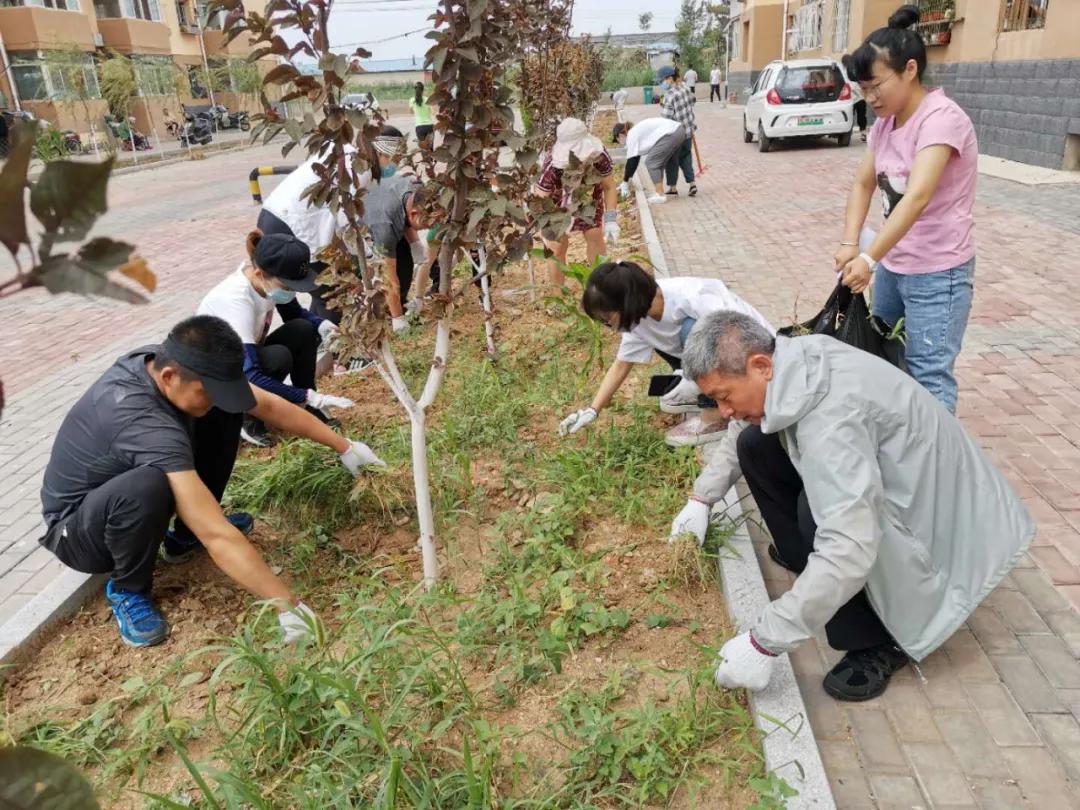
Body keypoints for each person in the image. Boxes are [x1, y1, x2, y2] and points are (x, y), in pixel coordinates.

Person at [680, 311, 1032, 701]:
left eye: (724, 397)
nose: (723, 410)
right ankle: (816, 581)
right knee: (755, 444)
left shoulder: (831, 423)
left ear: (760, 365)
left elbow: (848, 545)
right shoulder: (794, 359)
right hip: (909, 480)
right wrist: (701, 498)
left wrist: (765, 642)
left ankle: (879, 639)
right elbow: (740, 427)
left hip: (942, 523)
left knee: (819, 520)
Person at [38, 315, 387, 648]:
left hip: (121, 494)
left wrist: (345, 447)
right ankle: (128, 589)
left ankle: (181, 541)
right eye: (206, 390)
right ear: (170, 377)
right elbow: (216, 533)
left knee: (224, 409)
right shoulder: (141, 421)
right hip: (80, 532)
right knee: (146, 486)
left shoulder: (170, 361)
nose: (211, 397)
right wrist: (287, 604)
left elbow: (268, 405)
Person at [836, 4, 977, 414]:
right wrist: (850, 243)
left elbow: (916, 197)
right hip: (895, 268)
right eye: (863, 89)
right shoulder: (885, 124)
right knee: (884, 357)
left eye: (876, 85)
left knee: (929, 375)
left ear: (910, 70)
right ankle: (900, 447)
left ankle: (935, 470)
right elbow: (863, 182)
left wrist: (868, 256)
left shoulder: (941, 119)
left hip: (938, 271)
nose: (870, 97)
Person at [559, 261, 772, 448]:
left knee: (695, 330)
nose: (607, 325)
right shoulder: (637, 321)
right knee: (671, 379)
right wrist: (592, 410)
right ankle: (700, 387)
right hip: (705, 358)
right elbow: (621, 365)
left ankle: (714, 418)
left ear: (626, 303)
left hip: (750, 351)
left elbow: (741, 339)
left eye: (607, 318)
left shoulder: (692, 298)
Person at [197, 231, 349, 446]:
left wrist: (322, 325)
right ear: (260, 274)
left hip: (240, 362)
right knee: (277, 358)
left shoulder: (268, 284)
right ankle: (245, 417)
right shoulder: (235, 301)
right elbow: (250, 375)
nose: (291, 292)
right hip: (218, 382)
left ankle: (307, 408)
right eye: (288, 287)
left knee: (303, 330)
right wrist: (302, 395)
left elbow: (295, 315)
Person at [534, 117, 618, 285]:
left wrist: (610, 219)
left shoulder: (599, 157)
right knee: (557, 247)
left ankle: (601, 289)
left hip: (587, 197)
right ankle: (558, 296)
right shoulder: (553, 167)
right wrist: (541, 227)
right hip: (556, 203)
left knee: (594, 235)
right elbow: (539, 199)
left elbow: (609, 187)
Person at [612, 119, 686, 206]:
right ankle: (659, 192)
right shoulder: (635, 132)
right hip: (678, 130)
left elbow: (631, 161)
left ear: (620, 136)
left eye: (617, 141)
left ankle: (660, 195)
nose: (620, 144)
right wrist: (628, 181)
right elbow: (635, 160)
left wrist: (625, 183)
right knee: (658, 163)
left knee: (651, 162)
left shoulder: (631, 135)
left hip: (672, 133)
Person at [657, 66, 697, 197]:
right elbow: (693, 101)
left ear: (669, 79)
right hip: (688, 132)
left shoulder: (669, 96)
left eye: (661, 80)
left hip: (676, 136)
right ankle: (692, 184)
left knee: (672, 160)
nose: (661, 84)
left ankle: (673, 187)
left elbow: (666, 118)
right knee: (686, 158)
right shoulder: (685, 88)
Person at [840, 54, 868, 143]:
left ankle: (852, 133)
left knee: (852, 117)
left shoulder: (847, 70)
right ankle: (862, 132)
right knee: (861, 116)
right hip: (856, 98)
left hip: (853, 98)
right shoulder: (852, 69)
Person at [409, 82, 435, 150]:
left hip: (419, 127)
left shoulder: (412, 100)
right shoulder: (427, 99)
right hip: (429, 126)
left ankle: (425, 160)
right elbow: (433, 112)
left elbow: (411, 112)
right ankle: (431, 160)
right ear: (423, 90)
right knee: (430, 148)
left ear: (415, 90)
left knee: (423, 149)